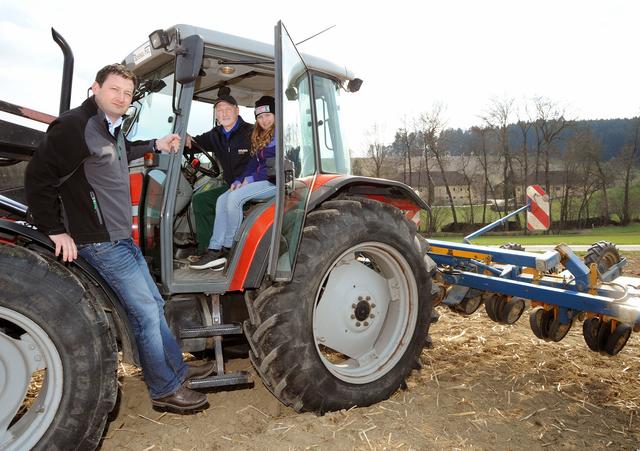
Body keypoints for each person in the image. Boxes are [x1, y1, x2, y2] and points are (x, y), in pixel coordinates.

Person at [25, 63, 215, 413]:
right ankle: (164, 389)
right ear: (95, 88)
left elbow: (119, 153)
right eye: (115, 90)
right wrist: (54, 229)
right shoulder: (74, 125)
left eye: (128, 93)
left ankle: (175, 367)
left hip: (120, 238)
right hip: (98, 239)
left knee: (154, 306)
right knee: (143, 311)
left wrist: (156, 143)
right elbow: (38, 176)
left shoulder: (109, 128)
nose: (122, 98)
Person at [191, 96, 277, 270]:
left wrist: (250, 179)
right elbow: (253, 162)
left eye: (268, 115)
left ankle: (230, 247)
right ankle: (215, 249)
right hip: (260, 180)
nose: (264, 120)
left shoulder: (281, 135)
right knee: (223, 199)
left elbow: (271, 168)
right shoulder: (260, 135)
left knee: (234, 198)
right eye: (260, 117)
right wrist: (240, 179)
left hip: (275, 182)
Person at [186, 93, 253, 257]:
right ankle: (206, 250)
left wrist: (245, 180)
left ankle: (227, 250)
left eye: (228, 109)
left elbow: (258, 162)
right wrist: (185, 140)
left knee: (226, 199)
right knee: (200, 199)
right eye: (219, 110)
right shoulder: (215, 134)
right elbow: (195, 144)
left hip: (250, 184)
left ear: (237, 110)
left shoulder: (251, 132)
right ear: (216, 115)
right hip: (230, 184)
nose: (224, 113)